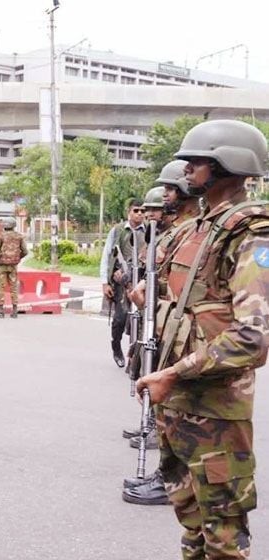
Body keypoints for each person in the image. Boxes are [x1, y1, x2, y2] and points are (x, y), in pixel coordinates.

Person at [135, 120, 269, 559]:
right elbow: (190, 306)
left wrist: (175, 372)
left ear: (227, 164)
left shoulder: (251, 232)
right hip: (178, 405)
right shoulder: (200, 228)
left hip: (215, 411)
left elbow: (253, 337)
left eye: (197, 161)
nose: (186, 170)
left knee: (223, 538)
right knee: (191, 525)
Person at [123, 163, 195, 508]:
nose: (161, 202)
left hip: (190, 339)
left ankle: (174, 479)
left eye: (169, 191)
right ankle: (169, 475)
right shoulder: (179, 232)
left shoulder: (195, 231)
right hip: (169, 328)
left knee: (186, 417)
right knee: (172, 412)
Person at [100, 198, 145, 367]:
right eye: (136, 210)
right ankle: (116, 347)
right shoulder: (118, 231)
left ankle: (136, 356)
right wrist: (105, 282)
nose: (139, 214)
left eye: (142, 211)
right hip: (120, 282)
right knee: (120, 319)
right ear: (129, 212)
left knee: (141, 321)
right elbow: (106, 256)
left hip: (140, 281)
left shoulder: (149, 231)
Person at [0, 217, 27, 318]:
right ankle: (14, 311)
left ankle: (1, 311)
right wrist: (17, 258)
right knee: (14, 288)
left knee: (0, 288)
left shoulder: (2, 236)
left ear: (5, 226)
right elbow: (25, 251)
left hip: (1, 266)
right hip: (13, 266)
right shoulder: (19, 237)